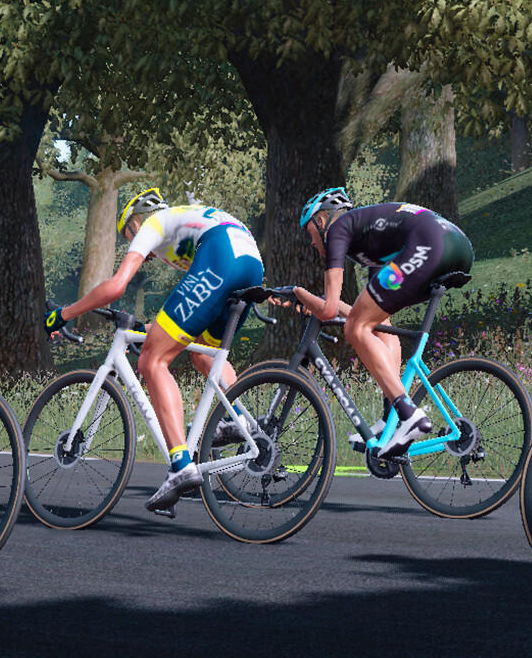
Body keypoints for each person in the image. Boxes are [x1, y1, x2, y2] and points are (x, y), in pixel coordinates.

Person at [45, 188, 264, 517]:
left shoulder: (152, 225)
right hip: (249, 261)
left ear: (134, 222)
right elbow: (189, 309)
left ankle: (180, 465)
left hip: (221, 255)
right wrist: (153, 331)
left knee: (152, 360)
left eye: (126, 235)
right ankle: (239, 422)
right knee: (203, 354)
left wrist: (64, 314)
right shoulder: (182, 226)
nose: (131, 244)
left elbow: (117, 286)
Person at [288, 187, 475, 457]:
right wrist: (313, 302)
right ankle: (392, 418)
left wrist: (296, 292)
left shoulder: (339, 227)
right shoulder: (373, 240)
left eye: (310, 232)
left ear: (320, 221)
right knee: (376, 328)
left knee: (354, 328)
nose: (311, 241)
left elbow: (329, 310)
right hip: (456, 245)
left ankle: (409, 414)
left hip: (431, 243)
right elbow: (376, 319)